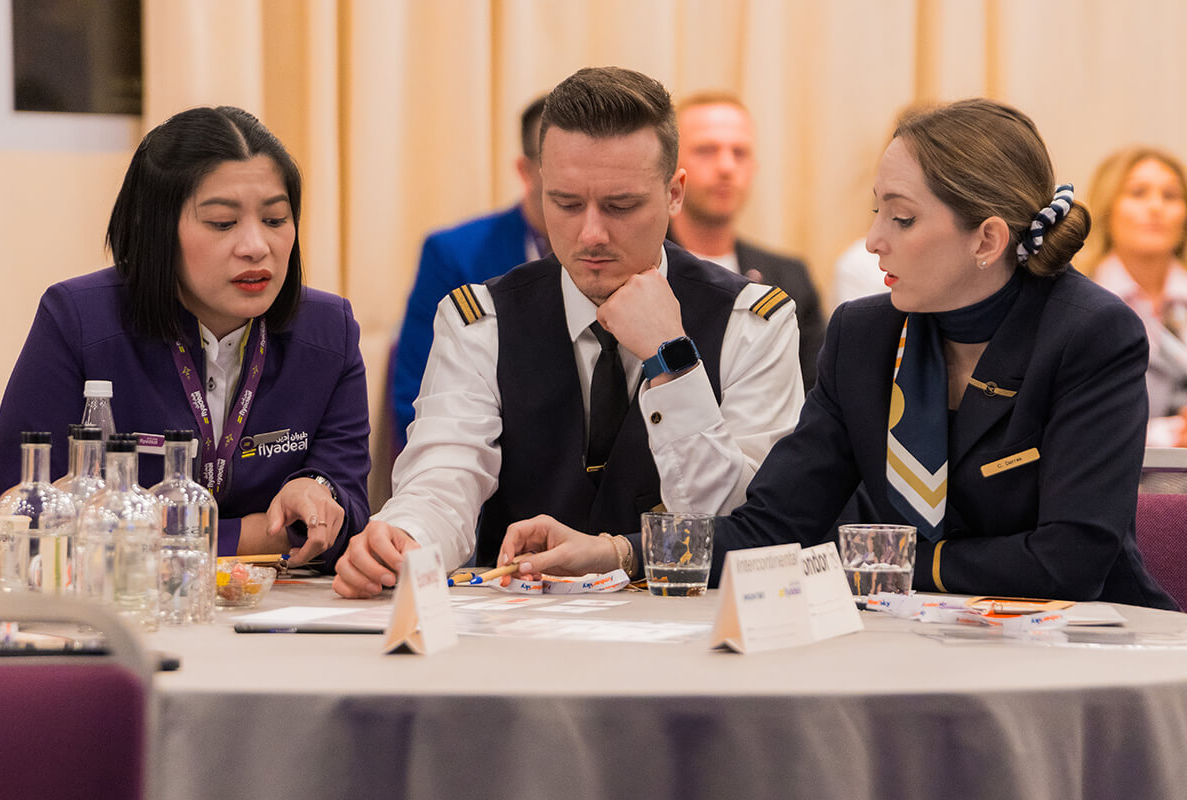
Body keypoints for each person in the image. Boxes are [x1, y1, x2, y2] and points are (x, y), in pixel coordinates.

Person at [497, 98, 1176, 610]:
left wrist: (878, 565)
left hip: (1088, 655)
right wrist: (618, 552)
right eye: (876, 210)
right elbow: (770, 528)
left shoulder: (1091, 334)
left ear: (987, 240)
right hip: (915, 643)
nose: (874, 239)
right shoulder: (864, 335)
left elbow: (1069, 561)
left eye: (901, 218)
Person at [334, 67, 804, 597]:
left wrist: (671, 360)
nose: (591, 234)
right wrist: (403, 539)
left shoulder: (753, 321)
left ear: (674, 193)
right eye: (566, 203)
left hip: (694, 625)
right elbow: (443, 479)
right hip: (518, 626)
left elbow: (748, 530)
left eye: (621, 206)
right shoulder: (480, 320)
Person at [0, 106, 371, 572]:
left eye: (275, 219)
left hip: (282, 605)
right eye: (222, 223)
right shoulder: (77, 319)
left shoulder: (329, 330)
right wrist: (249, 535)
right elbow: (16, 514)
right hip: (120, 600)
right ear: (157, 231)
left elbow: (350, 511)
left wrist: (318, 491)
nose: (256, 246)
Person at [390, 95, 549, 448]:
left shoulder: (630, 252)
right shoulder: (455, 255)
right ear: (525, 170)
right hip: (485, 462)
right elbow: (416, 397)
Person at [668, 91, 825, 389]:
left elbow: (814, 393)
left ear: (754, 167)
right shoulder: (642, 268)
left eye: (739, 153)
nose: (726, 167)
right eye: (706, 150)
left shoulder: (789, 279)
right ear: (671, 165)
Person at [1080, 146, 1187, 446]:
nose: (1156, 207)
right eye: (1138, 193)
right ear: (1108, 208)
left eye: (1170, 196)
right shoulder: (1078, 300)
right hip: (1113, 467)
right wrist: (1170, 435)